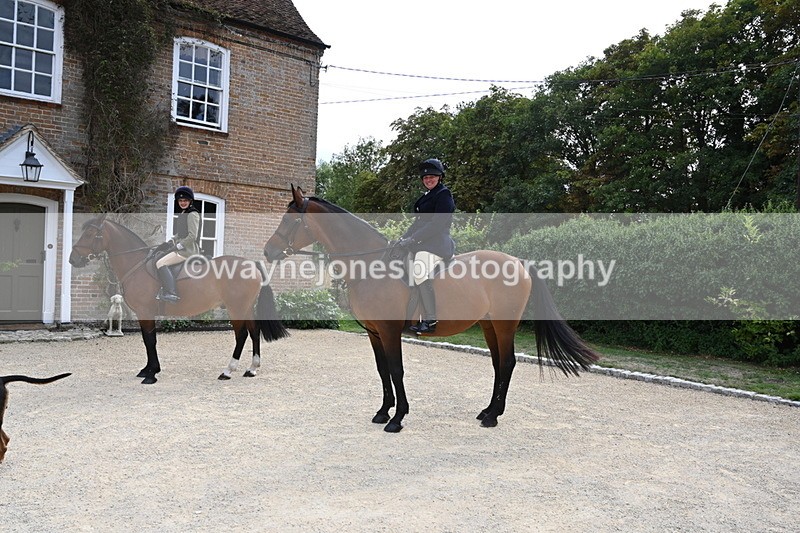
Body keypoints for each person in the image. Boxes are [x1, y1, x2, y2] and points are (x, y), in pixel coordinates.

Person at [397, 158, 456, 334]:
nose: (428, 180)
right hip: (422, 244)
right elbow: (418, 224)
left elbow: (436, 224)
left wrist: (413, 239)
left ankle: (430, 320)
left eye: (432, 177)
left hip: (437, 245)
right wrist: (402, 239)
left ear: (439, 177)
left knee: (419, 271)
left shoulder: (444, 195)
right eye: (425, 178)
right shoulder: (425, 197)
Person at [155, 185, 200, 302]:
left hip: (188, 250)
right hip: (181, 248)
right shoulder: (183, 213)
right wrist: (171, 240)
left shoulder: (192, 214)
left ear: (190, 201)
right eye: (180, 200)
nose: (182, 202)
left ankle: (171, 293)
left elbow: (192, 235)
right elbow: (180, 233)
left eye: (185, 200)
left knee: (161, 263)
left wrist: (180, 245)